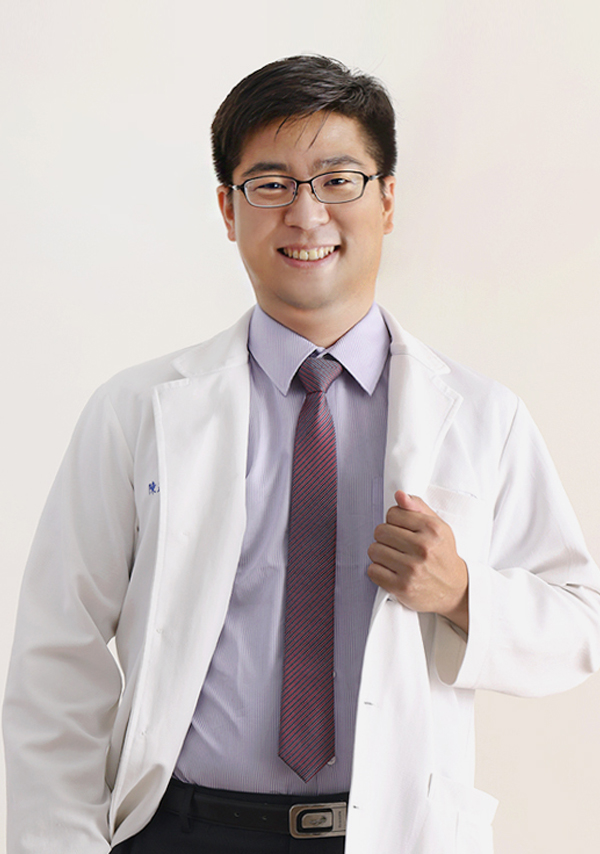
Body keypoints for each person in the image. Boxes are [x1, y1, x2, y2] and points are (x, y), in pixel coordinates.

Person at [4, 55, 600, 854]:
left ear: (388, 200)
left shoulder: (483, 417)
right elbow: (58, 655)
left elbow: (579, 625)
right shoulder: (136, 411)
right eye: (271, 184)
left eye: (338, 180)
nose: (307, 212)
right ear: (228, 209)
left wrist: (463, 594)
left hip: (390, 831)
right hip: (184, 832)